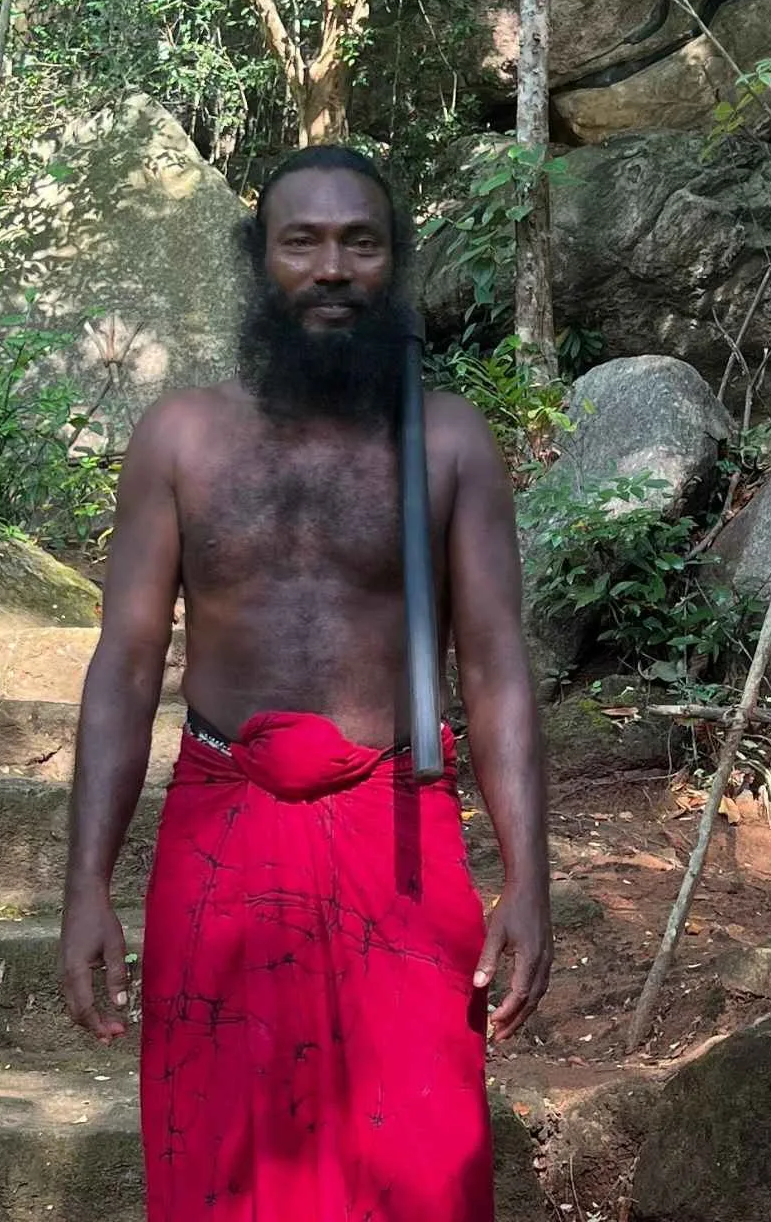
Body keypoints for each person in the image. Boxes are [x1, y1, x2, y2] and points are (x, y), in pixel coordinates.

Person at [57, 145, 551, 1220]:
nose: (332, 267)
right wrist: (86, 884)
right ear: (260, 260)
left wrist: (527, 875)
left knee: (426, 1154)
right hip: (222, 827)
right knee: (221, 1149)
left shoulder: (451, 441)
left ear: (393, 263)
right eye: (304, 241)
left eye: (359, 242)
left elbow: (498, 664)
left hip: (401, 831)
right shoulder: (180, 437)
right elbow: (128, 662)